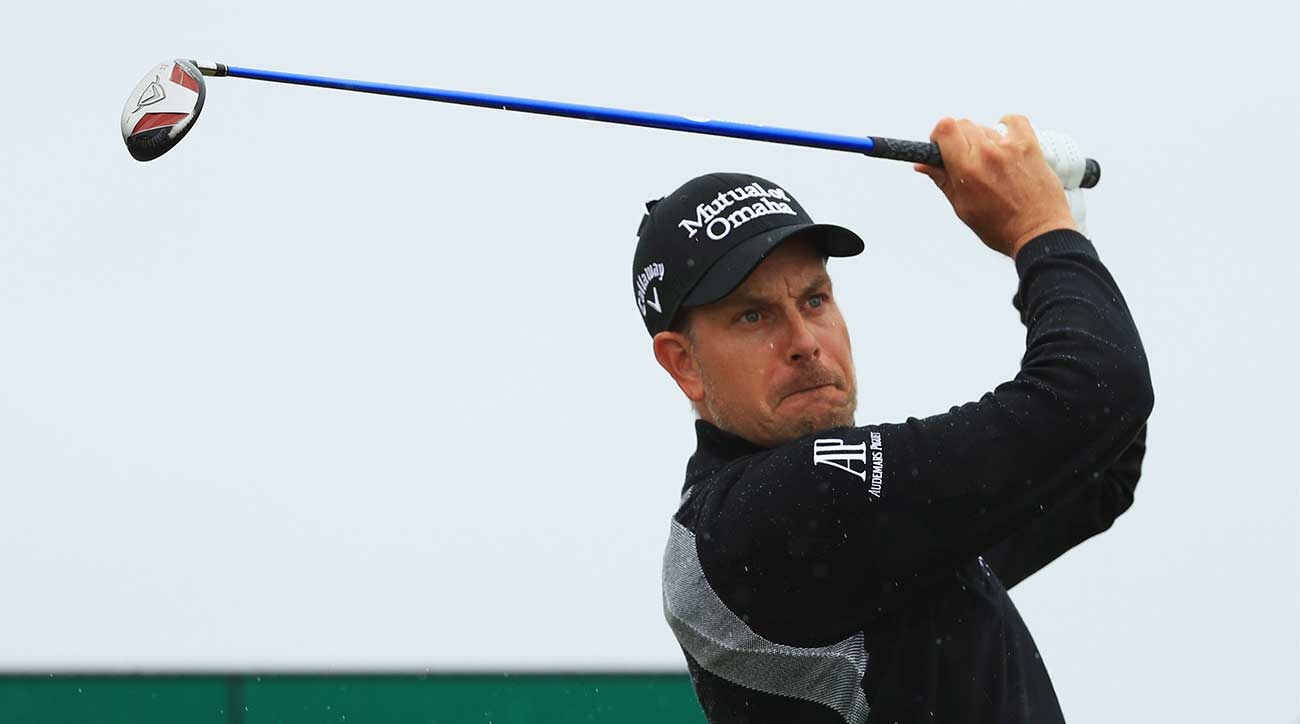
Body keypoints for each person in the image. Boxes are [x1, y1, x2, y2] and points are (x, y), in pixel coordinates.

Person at [630, 116, 1153, 724]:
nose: (804, 341)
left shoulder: (868, 529)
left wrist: (1064, 225)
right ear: (683, 362)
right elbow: (1094, 394)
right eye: (753, 317)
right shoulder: (761, 516)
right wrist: (1041, 231)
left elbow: (1099, 467)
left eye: (815, 300)